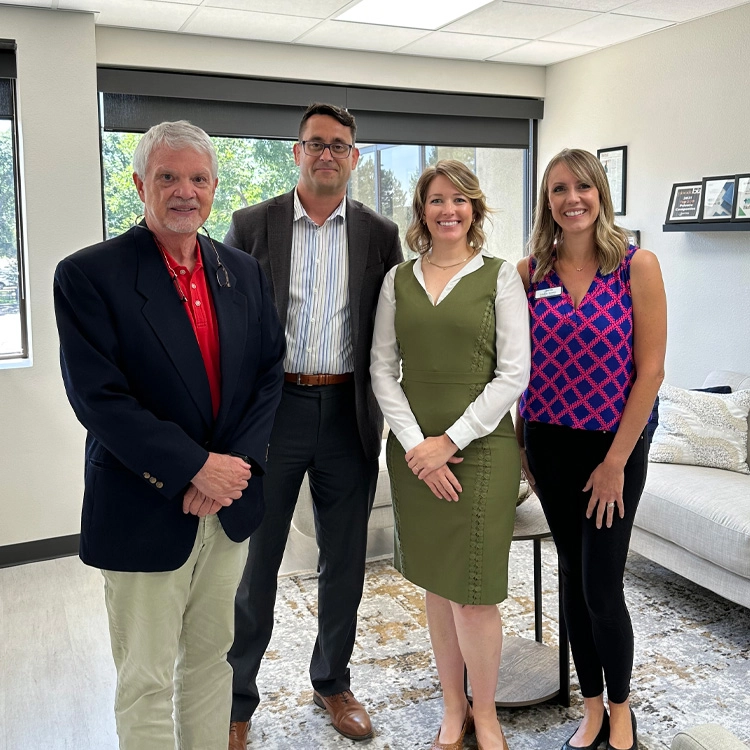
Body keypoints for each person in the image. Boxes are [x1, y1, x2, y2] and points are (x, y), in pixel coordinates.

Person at [53, 121, 285, 750]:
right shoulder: (88, 276)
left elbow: (268, 374)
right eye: (168, 177)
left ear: (214, 187)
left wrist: (228, 467)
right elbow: (99, 400)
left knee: (212, 662)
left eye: (198, 178)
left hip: (229, 503)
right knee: (147, 677)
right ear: (139, 186)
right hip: (144, 505)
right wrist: (192, 468)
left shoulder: (240, 270)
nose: (186, 191)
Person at [224, 102, 402, 746]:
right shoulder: (252, 225)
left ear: (355, 158)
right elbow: (228, 327)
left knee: (345, 562)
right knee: (257, 563)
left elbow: (392, 331)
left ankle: (332, 682)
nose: (326, 153)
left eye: (338, 145)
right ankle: (236, 699)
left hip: (350, 413)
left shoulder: (381, 235)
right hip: (276, 412)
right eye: (314, 143)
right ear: (296, 152)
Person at [370, 160, 531, 750]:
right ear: (422, 212)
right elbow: (383, 371)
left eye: (459, 201)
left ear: (474, 210)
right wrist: (418, 447)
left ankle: (485, 714)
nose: (448, 210)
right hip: (414, 454)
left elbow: (514, 374)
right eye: (437, 200)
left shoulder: (499, 277)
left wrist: (448, 443)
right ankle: (452, 706)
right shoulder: (397, 280)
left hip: (481, 449)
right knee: (438, 585)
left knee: (475, 592)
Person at [516, 148, 666, 750]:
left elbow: (650, 372)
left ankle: (623, 706)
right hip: (550, 442)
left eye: (582, 187)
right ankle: (591, 704)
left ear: (601, 194)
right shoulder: (530, 274)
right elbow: (516, 367)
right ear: (546, 202)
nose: (571, 199)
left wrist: (615, 464)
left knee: (603, 585)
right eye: (558, 189)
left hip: (615, 445)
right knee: (574, 577)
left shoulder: (637, 266)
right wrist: (523, 445)